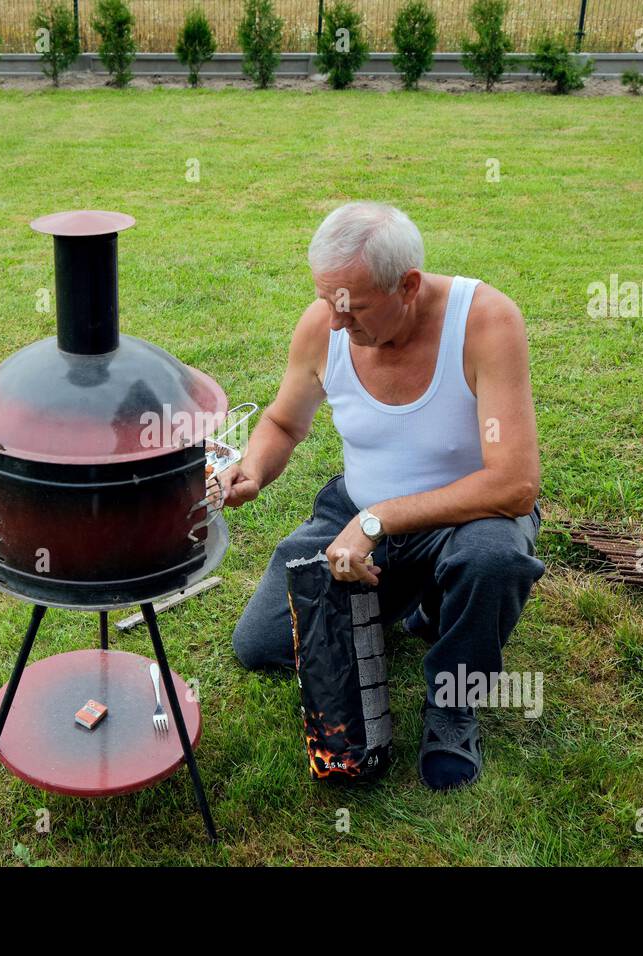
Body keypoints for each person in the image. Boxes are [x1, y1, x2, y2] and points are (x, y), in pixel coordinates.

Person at [220, 201, 546, 790]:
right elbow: (284, 423)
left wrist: (379, 519)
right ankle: (423, 606)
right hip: (357, 512)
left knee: (491, 559)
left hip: (466, 520)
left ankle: (451, 704)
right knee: (261, 645)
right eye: (328, 302)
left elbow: (515, 485)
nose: (338, 323)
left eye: (355, 307)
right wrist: (253, 470)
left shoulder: (485, 322)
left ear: (410, 285)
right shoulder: (326, 326)